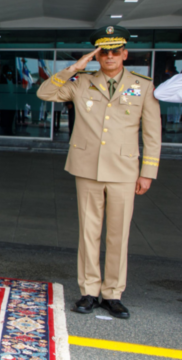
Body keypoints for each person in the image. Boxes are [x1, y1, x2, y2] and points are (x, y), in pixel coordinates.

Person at [37, 25, 161, 319]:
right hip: (88, 168)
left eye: (115, 51)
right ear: (97, 54)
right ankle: (89, 291)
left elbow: (152, 134)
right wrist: (75, 67)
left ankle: (113, 294)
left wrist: (148, 172)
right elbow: (45, 92)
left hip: (124, 170)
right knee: (89, 233)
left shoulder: (143, 85)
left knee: (118, 235)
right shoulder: (81, 82)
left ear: (125, 54)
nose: (109, 56)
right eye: (103, 51)